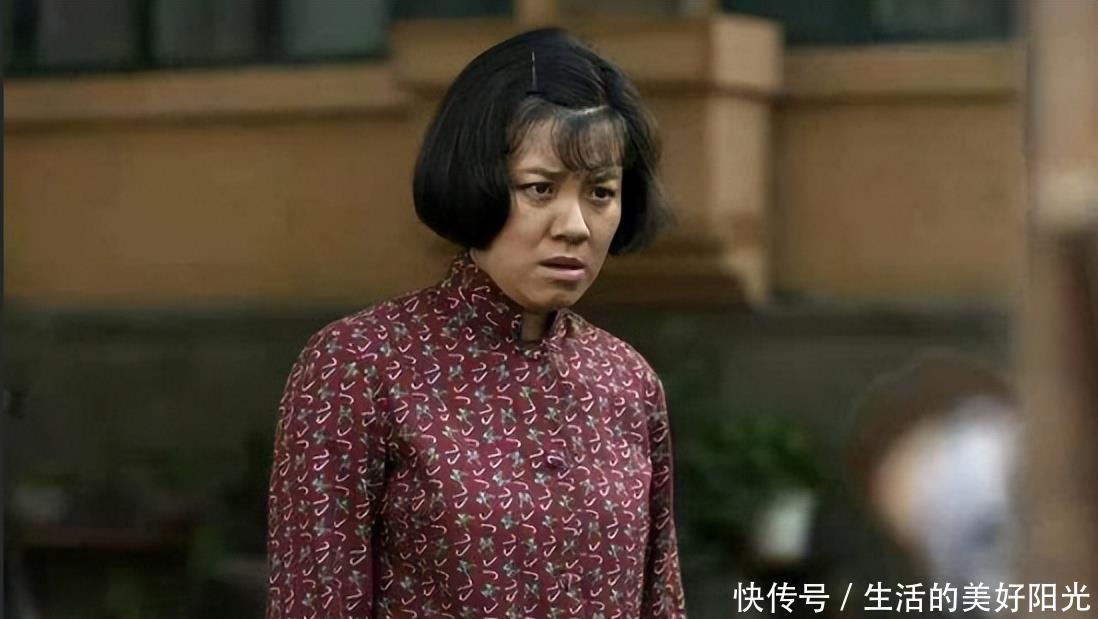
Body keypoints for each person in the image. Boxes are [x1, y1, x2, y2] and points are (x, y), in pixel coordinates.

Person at [266, 28, 687, 618]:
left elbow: (659, 603)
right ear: (476, 180)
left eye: (600, 192)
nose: (575, 226)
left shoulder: (627, 382)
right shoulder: (359, 365)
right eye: (540, 188)